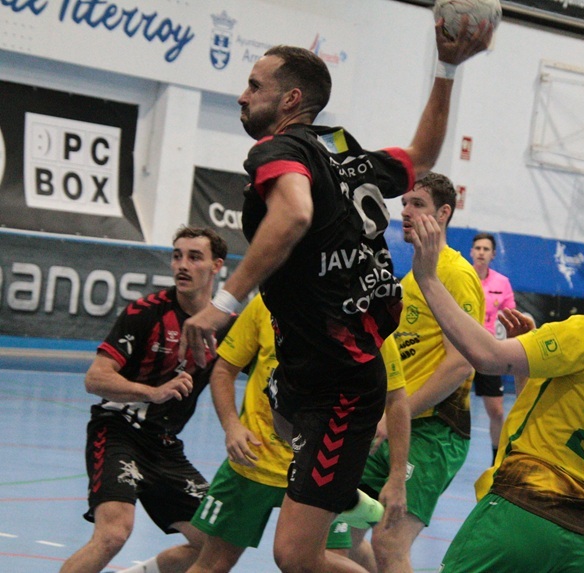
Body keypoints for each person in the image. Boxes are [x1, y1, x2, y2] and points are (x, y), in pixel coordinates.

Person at [178, 17, 494, 573]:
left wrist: (223, 303)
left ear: (290, 100)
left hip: (341, 384)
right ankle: (347, 493)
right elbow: (421, 153)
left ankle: (346, 492)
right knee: (281, 430)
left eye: (255, 86)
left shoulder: (280, 150)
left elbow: (295, 212)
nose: (243, 95)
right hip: (308, 368)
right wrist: (446, 70)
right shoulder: (342, 155)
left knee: (296, 556)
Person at [408, 218, 584, 573]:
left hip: (522, 515)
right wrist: (527, 368)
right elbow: (557, 419)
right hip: (583, 543)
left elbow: (487, 356)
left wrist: (428, 278)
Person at [126, 294, 408, 573]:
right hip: (254, 461)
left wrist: (397, 475)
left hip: (323, 469)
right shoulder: (266, 303)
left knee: (316, 563)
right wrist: (232, 426)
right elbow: (224, 370)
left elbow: (396, 398)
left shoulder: (363, 315)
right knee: (213, 562)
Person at [60, 227, 231, 573]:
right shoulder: (146, 313)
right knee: (113, 533)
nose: (182, 265)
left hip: (165, 447)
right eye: (177, 255)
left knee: (218, 544)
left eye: (194, 257)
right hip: (118, 433)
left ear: (216, 267)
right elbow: (95, 378)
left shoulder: (227, 326)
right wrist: (152, 393)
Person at [350, 173, 485, 572]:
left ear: (444, 213)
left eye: (418, 204)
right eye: (404, 203)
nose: (405, 211)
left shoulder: (455, 274)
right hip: (395, 425)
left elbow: (461, 363)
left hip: (434, 431)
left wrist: (397, 416)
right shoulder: (411, 277)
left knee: (390, 542)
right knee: (340, 533)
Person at [469, 232, 516, 463]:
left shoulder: (502, 283)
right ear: (471, 252)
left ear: (493, 254)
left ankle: (496, 461)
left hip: (488, 352)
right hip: (460, 349)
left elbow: (511, 316)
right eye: (477, 248)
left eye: (486, 249)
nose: (481, 252)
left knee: (496, 412)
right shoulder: (461, 277)